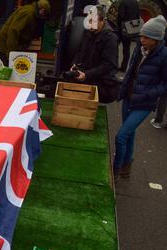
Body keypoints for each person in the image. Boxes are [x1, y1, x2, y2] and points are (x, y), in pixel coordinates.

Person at [114, 15, 167, 180]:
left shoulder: (164, 55)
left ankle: (115, 170)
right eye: (142, 35)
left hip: (143, 103)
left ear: (156, 39)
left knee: (121, 136)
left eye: (146, 37)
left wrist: (147, 94)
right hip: (129, 97)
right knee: (129, 134)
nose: (141, 39)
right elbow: (131, 71)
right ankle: (126, 166)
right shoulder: (139, 47)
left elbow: (165, 85)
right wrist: (123, 88)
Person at [70, 5, 119, 104]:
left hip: (101, 83)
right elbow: (80, 51)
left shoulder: (110, 38)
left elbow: (108, 65)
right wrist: (74, 64)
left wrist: (87, 75)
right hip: (86, 77)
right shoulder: (88, 32)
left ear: (102, 21)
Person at [0, 0, 50, 66]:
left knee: (9, 72)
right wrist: (11, 53)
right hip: (5, 49)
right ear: (42, 10)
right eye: (44, 14)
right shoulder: (28, 13)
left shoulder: (31, 12)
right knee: (6, 72)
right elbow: (13, 31)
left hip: (7, 48)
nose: (43, 17)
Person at [116, 0, 141, 72]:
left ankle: (114, 65)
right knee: (126, 49)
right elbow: (138, 16)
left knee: (115, 47)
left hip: (122, 29)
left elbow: (120, 16)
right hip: (131, 30)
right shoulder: (136, 2)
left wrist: (118, 26)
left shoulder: (123, 2)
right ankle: (124, 67)